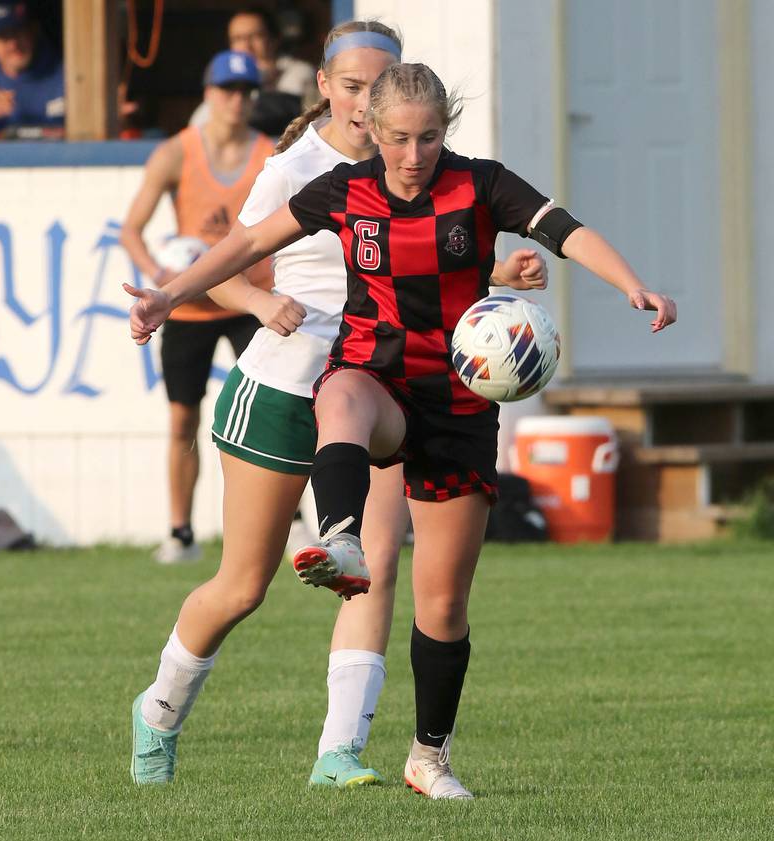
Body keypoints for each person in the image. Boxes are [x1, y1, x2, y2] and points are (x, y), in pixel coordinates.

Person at [127, 61, 676, 798]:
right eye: (399, 140)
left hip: (456, 405)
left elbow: (565, 231)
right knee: (345, 392)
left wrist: (630, 283)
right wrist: (169, 293)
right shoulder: (341, 189)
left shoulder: (480, 184)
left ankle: (429, 756)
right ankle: (340, 533)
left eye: (428, 138)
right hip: (378, 382)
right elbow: (247, 245)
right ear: (371, 131)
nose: (414, 156)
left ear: (444, 130)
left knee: (443, 604)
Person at [120, 49, 275, 564]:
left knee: (275, 412)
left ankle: (291, 523)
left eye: (247, 91)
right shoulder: (175, 153)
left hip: (250, 302)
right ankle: (181, 532)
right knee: (183, 420)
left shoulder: (270, 155)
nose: (237, 100)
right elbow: (131, 229)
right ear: (208, 95)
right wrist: (164, 278)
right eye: (228, 90)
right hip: (188, 308)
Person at [191, 4, 318, 137]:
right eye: (238, 39)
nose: (246, 46)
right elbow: (199, 125)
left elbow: (287, 111)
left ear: (274, 39)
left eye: (255, 36)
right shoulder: (225, 78)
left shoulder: (298, 70)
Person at [0, 0, 64, 140]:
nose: (13, 44)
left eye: (18, 33)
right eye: (4, 36)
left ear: (33, 31)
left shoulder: (68, 76)